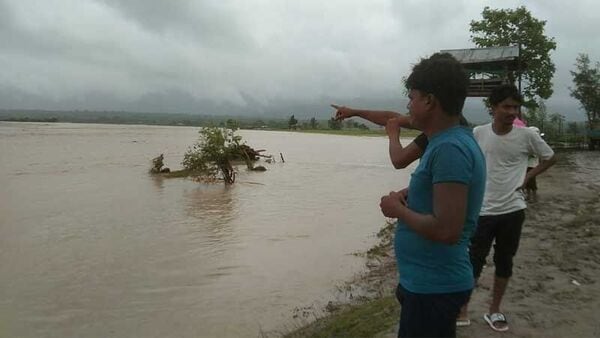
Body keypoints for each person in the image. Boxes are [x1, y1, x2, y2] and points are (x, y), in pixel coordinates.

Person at [378, 53, 486, 338]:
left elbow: (447, 230)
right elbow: (443, 196)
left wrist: (397, 209)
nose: (408, 105)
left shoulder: (450, 149)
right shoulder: (446, 142)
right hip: (427, 283)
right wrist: (411, 193)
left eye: (412, 97)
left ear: (429, 100)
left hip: (435, 287)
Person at [458, 84, 557, 332]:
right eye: (506, 106)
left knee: (505, 261)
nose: (512, 111)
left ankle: (494, 310)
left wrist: (527, 178)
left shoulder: (527, 136)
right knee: (473, 261)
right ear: (493, 108)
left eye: (515, 107)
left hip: (513, 210)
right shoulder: (478, 133)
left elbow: (550, 157)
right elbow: (469, 164)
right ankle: (463, 308)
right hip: (482, 210)